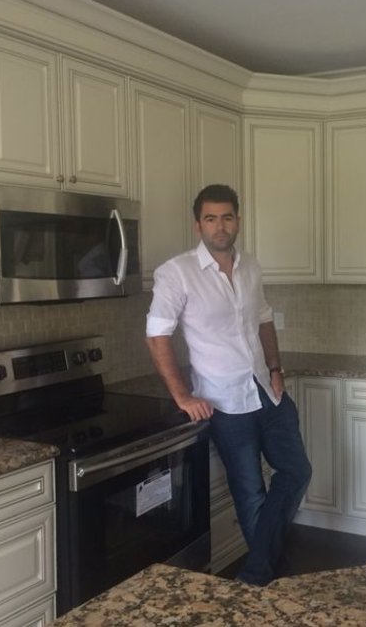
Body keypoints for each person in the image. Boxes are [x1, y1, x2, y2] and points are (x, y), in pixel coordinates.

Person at [145, 184, 312, 586]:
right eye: (210, 218)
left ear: (238, 220)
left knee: (297, 471)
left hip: (265, 389)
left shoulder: (250, 266)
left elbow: (264, 319)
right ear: (198, 225)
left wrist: (275, 367)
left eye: (227, 217)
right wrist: (182, 395)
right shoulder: (177, 273)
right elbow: (157, 334)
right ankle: (265, 577)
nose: (220, 226)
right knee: (250, 491)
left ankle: (256, 573)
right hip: (222, 400)